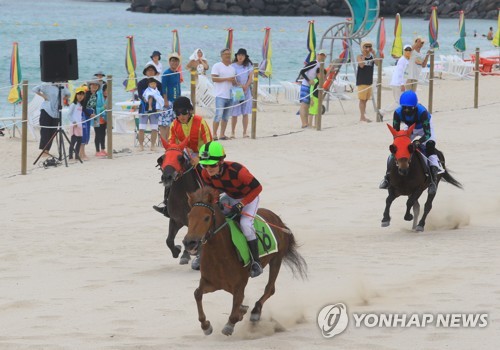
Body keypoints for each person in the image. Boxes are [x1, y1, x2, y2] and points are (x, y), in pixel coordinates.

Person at [198, 141, 264, 278]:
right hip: (230, 197)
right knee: (211, 219)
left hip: (249, 198)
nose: (208, 169)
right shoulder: (205, 174)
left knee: (245, 225)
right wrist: (216, 201)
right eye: (205, 165)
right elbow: (213, 190)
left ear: (221, 161)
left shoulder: (238, 171)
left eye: (212, 165)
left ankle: (256, 262)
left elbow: (258, 189)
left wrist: (241, 205)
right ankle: (201, 254)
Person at [153, 96, 212, 217]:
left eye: (184, 112)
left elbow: (209, 145)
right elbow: (171, 146)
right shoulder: (174, 125)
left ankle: (212, 199)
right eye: (178, 113)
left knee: (205, 171)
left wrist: (199, 158)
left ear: (190, 111)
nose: (181, 116)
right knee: (170, 171)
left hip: (203, 154)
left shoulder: (201, 122)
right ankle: (167, 203)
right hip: (184, 152)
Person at [379, 90, 442, 194]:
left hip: (425, 127)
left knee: (430, 146)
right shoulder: (397, 113)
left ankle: (433, 181)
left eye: (410, 108)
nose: (407, 110)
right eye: (404, 107)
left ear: (415, 106)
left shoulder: (423, 113)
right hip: (410, 128)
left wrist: (418, 142)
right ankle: (387, 177)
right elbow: (396, 134)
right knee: (396, 150)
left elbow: (427, 134)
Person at [32, 83, 71, 156]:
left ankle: (47, 150)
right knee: (45, 131)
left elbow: (69, 94)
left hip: (57, 112)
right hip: (46, 109)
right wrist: (44, 96)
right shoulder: (46, 85)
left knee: (53, 132)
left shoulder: (62, 86)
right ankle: (44, 151)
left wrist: (62, 98)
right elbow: (34, 89)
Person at [137, 63, 164, 151]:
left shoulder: (159, 84)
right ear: (145, 72)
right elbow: (140, 95)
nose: (150, 72)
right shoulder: (141, 83)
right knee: (141, 128)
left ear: (155, 72)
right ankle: (141, 145)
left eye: (152, 70)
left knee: (154, 128)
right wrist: (146, 99)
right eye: (149, 70)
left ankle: (153, 145)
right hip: (144, 108)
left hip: (155, 108)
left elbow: (160, 96)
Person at [211, 48, 237, 140]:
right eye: (226, 54)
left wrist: (235, 82)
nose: (228, 56)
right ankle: (214, 134)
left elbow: (233, 82)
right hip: (220, 95)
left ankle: (222, 134)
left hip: (230, 95)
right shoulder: (217, 66)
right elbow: (214, 79)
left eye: (229, 54)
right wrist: (227, 79)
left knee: (226, 116)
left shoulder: (232, 68)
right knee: (218, 115)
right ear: (221, 56)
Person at [298, 49, 327, 128]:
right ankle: (304, 123)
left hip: (313, 87)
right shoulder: (314, 63)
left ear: (325, 57)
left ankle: (307, 124)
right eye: (320, 55)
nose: (321, 57)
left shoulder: (321, 65)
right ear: (317, 55)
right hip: (306, 85)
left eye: (323, 55)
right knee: (304, 105)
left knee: (308, 106)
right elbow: (302, 71)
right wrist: (308, 80)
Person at [381, 44, 412, 116]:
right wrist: (402, 84)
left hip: (400, 83)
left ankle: (401, 116)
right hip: (397, 83)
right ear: (404, 51)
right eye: (406, 50)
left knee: (401, 102)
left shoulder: (407, 60)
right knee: (399, 102)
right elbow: (400, 72)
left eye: (409, 50)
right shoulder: (402, 60)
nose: (408, 51)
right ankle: (383, 112)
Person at [230, 48, 253, 138]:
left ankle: (245, 132)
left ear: (245, 57)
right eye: (239, 55)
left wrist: (246, 86)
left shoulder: (248, 66)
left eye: (242, 55)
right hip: (237, 90)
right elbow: (233, 79)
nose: (240, 57)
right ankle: (232, 132)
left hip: (246, 90)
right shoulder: (233, 66)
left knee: (245, 112)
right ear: (236, 56)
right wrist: (240, 86)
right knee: (235, 112)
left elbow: (250, 78)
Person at [356, 41, 379, 123]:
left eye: (369, 46)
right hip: (362, 80)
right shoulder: (360, 56)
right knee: (362, 99)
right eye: (366, 46)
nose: (368, 48)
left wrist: (374, 54)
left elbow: (377, 64)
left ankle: (363, 116)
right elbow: (361, 65)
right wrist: (364, 55)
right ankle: (362, 117)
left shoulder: (372, 57)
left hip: (369, 81)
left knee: (365, 100)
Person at [67, 86, 88, 162]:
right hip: (74, 125)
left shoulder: (80, 105)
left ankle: (76, 156)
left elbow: (79, 115)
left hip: (80, 126)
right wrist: (73, 122)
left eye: (82, 95)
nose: (80, 96)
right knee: (73, 141)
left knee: (79, 141)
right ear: (76, 95)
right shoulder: (73, 104)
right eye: (79, 94)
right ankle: (70, 157)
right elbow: (69, 115)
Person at [85, 80, 102, 158]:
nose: (95, 86)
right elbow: (83, 106)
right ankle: (82, 152)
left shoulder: (98, 95)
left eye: (96, 85)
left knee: (98, 132)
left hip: (96, 115)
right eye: (93, 84)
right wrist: (89, 114)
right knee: (85, 133)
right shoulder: (86, 94)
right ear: (90, 86)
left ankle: (98, 151)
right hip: (86, 115)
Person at [95, 83, 108, 157]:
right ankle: (97, 151)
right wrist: (103, 108)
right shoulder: (98, 96)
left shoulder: (108, 98)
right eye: (105, 90)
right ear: (103, 91)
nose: (107, 92)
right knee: (98, 135)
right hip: (97, 119)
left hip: (104, 119)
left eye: (108, 91)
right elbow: (95, 107)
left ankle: (103, 149)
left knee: (103, 134)